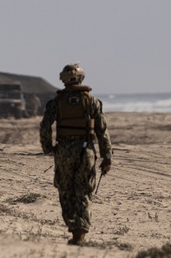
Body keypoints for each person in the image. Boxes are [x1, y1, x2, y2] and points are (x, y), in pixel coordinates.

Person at [39, 63, 112, 246]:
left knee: (65, 190)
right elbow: (102, 131)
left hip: (64, 150)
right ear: (81, 78)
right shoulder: (92, 101)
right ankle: (80, 232)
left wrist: (48, 148)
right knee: (83, 191)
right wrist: (107, 156)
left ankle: (73, 228)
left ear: (63, 79)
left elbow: (45, 126)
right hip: (85, 151)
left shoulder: (56, 102)